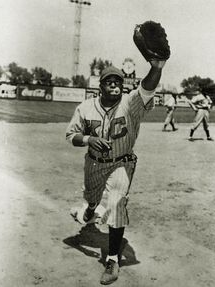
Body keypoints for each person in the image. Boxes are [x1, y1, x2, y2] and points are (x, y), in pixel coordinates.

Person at [66, 59, 165, 285]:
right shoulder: (85, 107)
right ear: (100, 87)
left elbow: (147, 88)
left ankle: (112, 259)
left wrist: (157, 68)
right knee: (92, 198)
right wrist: (89, 139)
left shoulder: (131, 104)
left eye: (118, 81)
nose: (114, 84)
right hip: (94, 164)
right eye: (109, 81)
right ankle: (91, 208)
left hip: (121, 162)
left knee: (117, 202)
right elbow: (71, 135)